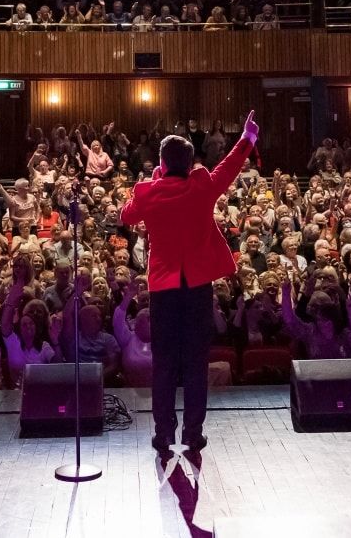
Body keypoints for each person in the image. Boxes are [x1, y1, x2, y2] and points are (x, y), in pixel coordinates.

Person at [120, 108, 260, 457]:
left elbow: (126, 216)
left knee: (164, 363)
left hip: (164, 289)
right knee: (196, 362)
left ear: (162, 163)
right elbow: (227, 169)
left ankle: (163, 434)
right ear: (190, 161)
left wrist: (153, 180)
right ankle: (193, 435)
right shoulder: (201, 187)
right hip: (196, 286)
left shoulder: (148, 192)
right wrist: (247, 138)